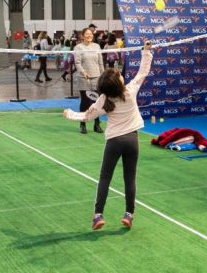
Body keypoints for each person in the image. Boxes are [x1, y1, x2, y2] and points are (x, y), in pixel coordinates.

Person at [63, 40, 153, 230]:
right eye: (119, 75)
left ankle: (98, 216)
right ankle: (129, 214)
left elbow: (87, 116)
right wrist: (146, 51)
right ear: (118, 83)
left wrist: (70, 114)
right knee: (130, 178)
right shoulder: (130, 91)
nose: (121, 75)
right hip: (132, 141)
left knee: (105, 178)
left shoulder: (103, 100)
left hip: (114, 141)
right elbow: (143, 71)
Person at [74, 27, 105, 133]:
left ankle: (97, 124)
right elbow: (77, 63)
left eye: (91, 34)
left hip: (96, 77)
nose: (89, 35)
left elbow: (100, 63)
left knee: (96, 102)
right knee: (85, 102)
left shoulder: (97, 46)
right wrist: (83, 72)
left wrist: (103, 75)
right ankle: (82, 124)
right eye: (87, 34)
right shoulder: (78, 47)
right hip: (84, 79)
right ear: (82, 36)